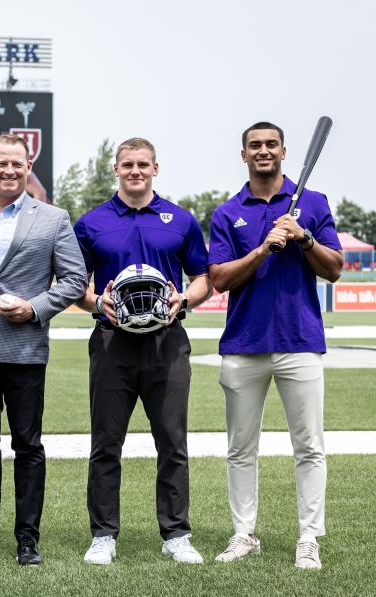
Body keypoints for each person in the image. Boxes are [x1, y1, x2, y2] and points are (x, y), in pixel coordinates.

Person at [0, 133, 87, 565]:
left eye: (17, 165)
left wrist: (36, 308)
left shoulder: (54, 218)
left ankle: (27, 537)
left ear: (28, 168)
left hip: (23, 346)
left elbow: (74, 280)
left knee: (27, 445)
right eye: (1, 163)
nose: (9, 171)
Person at [208, 122, 342, 569]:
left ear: (284, 151)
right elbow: (220, 279)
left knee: (309, 446)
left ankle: (309, 537)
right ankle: (244, 534)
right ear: (243, 154)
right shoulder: (228, 212)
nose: (263, 151)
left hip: (300, 340)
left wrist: (304, 238)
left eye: (270, 144)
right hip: (243, 344)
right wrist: (264, 249)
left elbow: (335, 269)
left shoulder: (314, 203)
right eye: (254, 146)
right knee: (240, 448)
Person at [73, 137, 212, 566]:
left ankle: (176, 534)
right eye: (127, 164)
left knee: (172, 442)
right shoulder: (92, 222)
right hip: (112, 343)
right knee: (105, 443)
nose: (135, 171)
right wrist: (98, 302)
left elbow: (204, 278)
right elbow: (74, 285)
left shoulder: (180, 219)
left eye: (143, 164)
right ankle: (103, 535)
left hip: (166, 343)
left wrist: (184, 300)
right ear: (115, 169)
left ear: (156, 168)